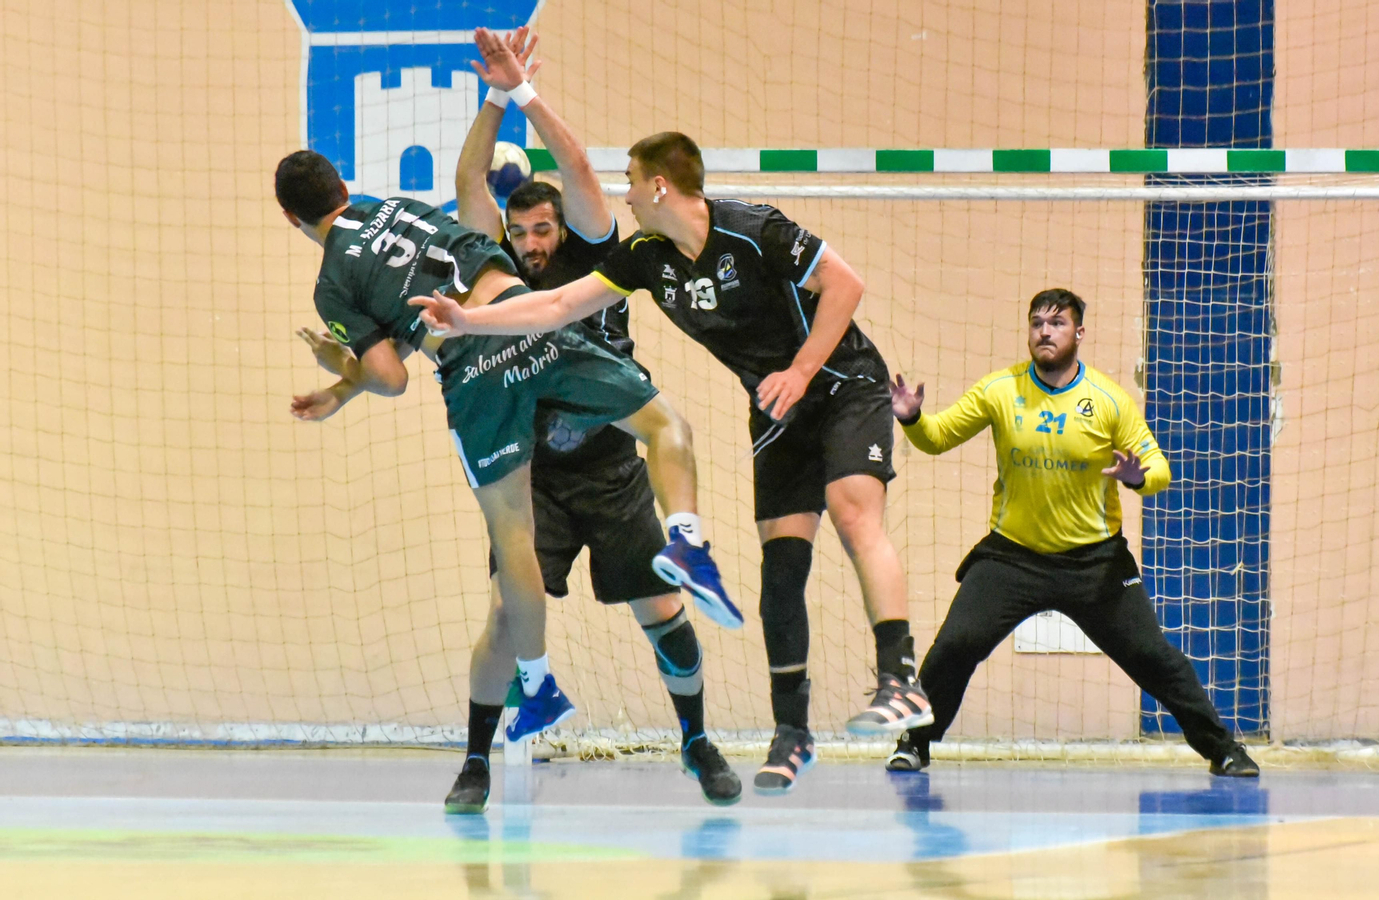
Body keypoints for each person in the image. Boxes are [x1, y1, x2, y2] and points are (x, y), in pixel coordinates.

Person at [410, 132, 932, 796]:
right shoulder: (637, 258)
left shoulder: (731, 232)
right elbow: (551, 299)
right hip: (748, 415)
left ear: (658, 185)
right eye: (521, 232)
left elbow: (845, 283)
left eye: (631, 180)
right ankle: (791, 732)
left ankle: (887, 682)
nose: (625, 194)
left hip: (816, 392)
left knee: (844, 519)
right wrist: (466, 321)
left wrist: (802, 371)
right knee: (779, 569)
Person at [279, 134, 738, 809]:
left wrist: (346, 374)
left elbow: (391, 369)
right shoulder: (425, 223)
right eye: (517, 230)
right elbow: (418, 291)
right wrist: (508, 94)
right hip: (538, 456)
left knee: (658, 610)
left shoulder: (589, 255)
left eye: (541, 228)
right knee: (502, 613)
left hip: (601, 466)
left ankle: (683, 735)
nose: (530, 240)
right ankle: (477, 760)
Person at [880, 289, 1260, 778]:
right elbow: (938, 438)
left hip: (1094, 563)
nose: (1045, 331)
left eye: (1057, 323)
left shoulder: (1108, 400)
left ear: (1079, 333)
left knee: (1153, 657)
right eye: (1037, 322)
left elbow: (1159, 469)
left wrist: (1137, 477)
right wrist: (912, 418)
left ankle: (1223, 750)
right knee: (955, 645)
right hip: (1012, 556)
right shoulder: (1000, 389)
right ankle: (914, 743)